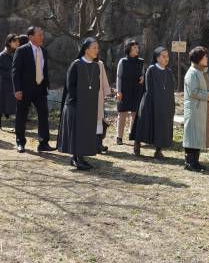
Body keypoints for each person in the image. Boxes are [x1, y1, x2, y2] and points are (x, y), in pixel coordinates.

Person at [58, 38, 109, 170]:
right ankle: (77, 158)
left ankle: (78, 158)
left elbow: (96, 87)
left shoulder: (96, 66)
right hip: (75, 105)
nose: (97, 50)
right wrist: (81, 101)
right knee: (77, 132)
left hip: (89, 106)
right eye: (94, 48)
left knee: (85, 132)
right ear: (86, 49)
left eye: (98, 48)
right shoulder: (76, 64)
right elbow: (71, 86)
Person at [131, 46, 175, 159]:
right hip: (150, 103)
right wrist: (158, 101)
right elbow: (149, 88)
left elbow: (170, 90)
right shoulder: (151, 69)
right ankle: (137, 144)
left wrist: (170, 103)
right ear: (157, 58)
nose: (166, 58)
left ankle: (158, 151)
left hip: (164, 104)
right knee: (144, 124)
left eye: (167, 56)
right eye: (163, 56)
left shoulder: (169, 72)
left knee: (161, 127)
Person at [12, 26, 52, 153]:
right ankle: (20, 142)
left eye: (42, 35)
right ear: (31, 37)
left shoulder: (44, 51)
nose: (42, 37)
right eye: (39, 35)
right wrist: (17, 89)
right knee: (22, 115)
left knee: (43, 113)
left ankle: (43, 143)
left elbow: (44, 70)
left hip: (40, 89)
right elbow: (15, 71)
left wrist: (46, 85)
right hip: (25, 89)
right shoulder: (22, 50)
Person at [183, 46, 209, 172]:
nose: (207, 58)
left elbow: (207, 87)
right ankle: (189, 163)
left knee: (198, 136)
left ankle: (195, 162)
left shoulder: (201, 71)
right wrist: (208, 96)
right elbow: (193, 91)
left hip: (201, 109)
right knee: (192, 136)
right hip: (194, 109)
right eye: (204, 56)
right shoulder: (192, 73)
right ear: (198, 59)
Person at [114, 40, 144, 146]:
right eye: (135, 47)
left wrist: (142, 78)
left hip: (136, 90)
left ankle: (133, 135)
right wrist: (118, 91)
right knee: (122, 113)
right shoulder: (123, 61)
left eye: (137, 47)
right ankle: (119, 137)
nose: (137, 49)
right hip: (124, 90)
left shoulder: (141, 61)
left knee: (134, 114)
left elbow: (142, 74)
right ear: (129, 49)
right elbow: (119, 77)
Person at [0, 33, 20, 131]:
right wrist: (10, 74)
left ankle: (17, 125)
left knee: (14, 103)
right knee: (1, 103)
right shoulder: (2, 55)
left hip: (13, 84)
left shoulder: (16, 53)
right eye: (16, 41)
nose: (18, 43)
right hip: (4, 84)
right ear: (10, 42)